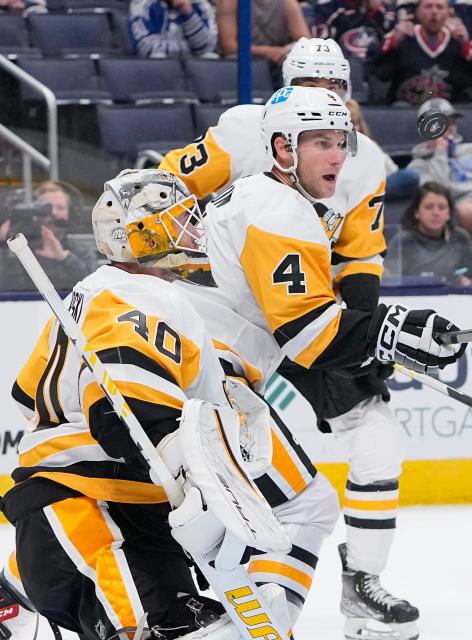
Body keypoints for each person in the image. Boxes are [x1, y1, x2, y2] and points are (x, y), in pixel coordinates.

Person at [160, 39, 431, 640]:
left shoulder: (361, 161)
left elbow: (359, 257)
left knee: (377, 437)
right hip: (227, 318)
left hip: (301, 313)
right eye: (307, 84)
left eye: (331, 89)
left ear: (348, 94)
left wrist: (362, 336)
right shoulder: (241, 133)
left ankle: (362, 584)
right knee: (203, 467)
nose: (321, 101)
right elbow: (161, 191)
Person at [202, 85, 465, 640]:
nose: (337, 154)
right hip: (199, 383)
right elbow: (306, 336)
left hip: (194, 368)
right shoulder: (279, 208)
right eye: (321, 142)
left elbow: (323, 302)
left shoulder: (270, 197)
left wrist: (375, 334)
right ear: (281, 148)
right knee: (298, 507)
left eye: (340, 140)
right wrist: (391, 331)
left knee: (150, 502)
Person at [0, 169, 250, 640]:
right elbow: (125, 413)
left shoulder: (88, 294)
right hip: (90, 508)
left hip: (93, 514)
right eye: (176, 218)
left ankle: (10, 589)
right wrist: (190, 469)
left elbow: (25, 395)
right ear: (137, 233)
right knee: (178, 630)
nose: (190, 228)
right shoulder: (142, 293)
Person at [406, 97, 472, 241]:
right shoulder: (418, 166)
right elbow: (439, 192)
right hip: (449, 213)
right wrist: (440, 154)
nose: (450, 127)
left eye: (452, 122)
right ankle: (470, 257)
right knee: (465, 211)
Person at [372, 0, 472, 104]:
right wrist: (393, 43)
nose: (434, 12)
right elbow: (381, 75)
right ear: (417, 12)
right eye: (428, 6)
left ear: (449, 12)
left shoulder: (456, 43)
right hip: (406, 112)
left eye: (439, 7)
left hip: (447, 112)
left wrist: (466, 46)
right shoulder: (404, 39)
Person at [0, 181, 96, 292]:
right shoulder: (18, 246)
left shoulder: (80, 251)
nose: (54, 212)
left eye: (60, 208)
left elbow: (93, 287)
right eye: (47, 208)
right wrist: (6, 246)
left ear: (70, 213)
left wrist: (64, 257)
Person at [384, 182, 472, 285]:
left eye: (442, 207)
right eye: (429, 207)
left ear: (449, 214)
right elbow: (389, 280)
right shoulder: (402, 240)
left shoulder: (460, 238)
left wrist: (468, 283)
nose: (436, 213)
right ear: (417, 212)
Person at [217, 0, 310, 64]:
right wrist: (267, 52)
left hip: (280, 61)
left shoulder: (287, 2)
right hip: (243, 63)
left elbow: (305, 41)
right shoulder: (229, 2)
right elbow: (228, 46)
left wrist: (287, 50)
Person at [127, 0, 217, 58]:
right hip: (156, 72)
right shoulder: (141, 4)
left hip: (192, 71)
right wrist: (188, 49)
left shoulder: (200, 4)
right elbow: (147, 48)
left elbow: (207, 47)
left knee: (210, 57)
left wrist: (188, 13)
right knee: (158, 57)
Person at [313, 0, 397, 60]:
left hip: (376, 64)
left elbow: (390, 37)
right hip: (341, 62)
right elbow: (318, 47)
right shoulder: (329, 7)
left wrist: (374, 12)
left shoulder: (384, 9)